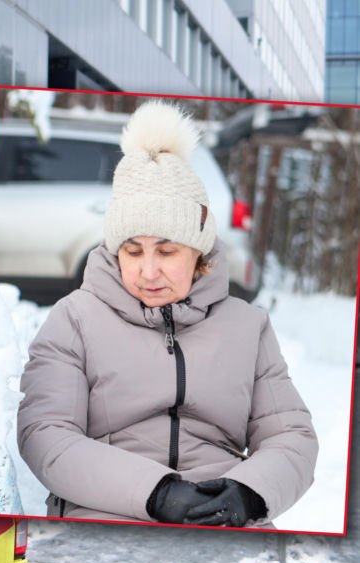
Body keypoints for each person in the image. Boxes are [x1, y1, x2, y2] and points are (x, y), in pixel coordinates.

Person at [16, 101, 318, 528]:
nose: (148, 270)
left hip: (224, 522)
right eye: (133, 251)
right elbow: (46, 436)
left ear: (200, 254)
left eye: (168, 251)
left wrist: (250, 493)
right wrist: (155, 493)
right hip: (106, 515)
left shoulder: (248, 328)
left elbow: (292, 436)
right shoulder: (75, 319)